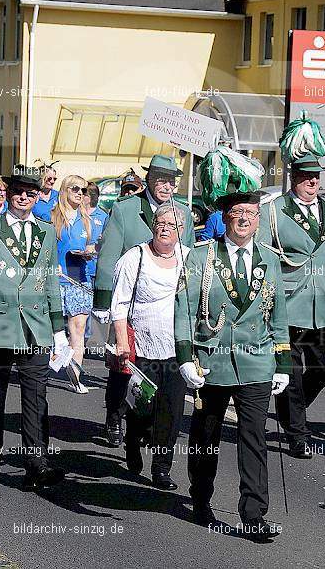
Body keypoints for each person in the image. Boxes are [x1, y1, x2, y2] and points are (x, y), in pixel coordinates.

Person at [174, 145, 291, 540]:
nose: (244, 220)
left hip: (257, 363)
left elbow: (278, 315)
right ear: (225, 219)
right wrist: (186, 358)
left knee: (253, 438)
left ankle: (254, 514)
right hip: (213, 364)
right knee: (206, 436)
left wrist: (284, 364)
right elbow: (185, 310)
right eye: (237, 214)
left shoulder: (270, 259)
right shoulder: (201, 258)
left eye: (251, 214)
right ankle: (201, 497)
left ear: (259, 220)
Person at [259, 112, 325, 459]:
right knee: (293, 373)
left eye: (315, 176)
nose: (312, 182)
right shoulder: (275, 212)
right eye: (305, 176)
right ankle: (298, 433)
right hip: (290, 304)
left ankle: (289, 413)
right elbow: (261, 258)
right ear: (294, 178)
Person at [0, 166, 66, 490]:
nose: (24, 196)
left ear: (38, 196)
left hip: (35, 327)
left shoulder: (47, 231)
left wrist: (59, 329)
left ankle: (36, 464)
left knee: (37, 396)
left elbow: (51, 280)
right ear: (9, 192)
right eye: (19, 190)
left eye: (31, 192)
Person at [93, 154, 195, 447]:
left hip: (164, 305)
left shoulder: (181, 213)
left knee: (161, 372)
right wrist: (102, 302)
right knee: (123, 365)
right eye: (160, 179)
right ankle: (114, 416)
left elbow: (184, 256)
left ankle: (147, 423)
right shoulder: (126, 209)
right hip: (128, 301)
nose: (166, 186)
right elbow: (109, 255)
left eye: (171, 180)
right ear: (148, 180)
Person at [111, 204, 189, 490]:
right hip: (143, 347)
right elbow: (119, 304)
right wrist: (121, 341)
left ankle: (162, 468)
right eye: (160, 222)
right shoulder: (136, 257)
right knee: (143, 406)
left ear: (181, 231)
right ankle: (133, 440)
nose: (165, 228)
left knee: (171, 409)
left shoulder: (188, 259)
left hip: (177, 349)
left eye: (171, 224)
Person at [52, 175, 94, 393]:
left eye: (83, 190)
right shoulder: (51, 217)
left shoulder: (86, 219)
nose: (80, 193)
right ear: (65, 190)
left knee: (77, 331)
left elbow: (93, 246)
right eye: (75, 188)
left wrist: (90, 253)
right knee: (53, 330)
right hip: (55, 281)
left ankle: (76, 377)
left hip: (80, 280)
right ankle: (42, 368)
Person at [83, 182, 108, 341]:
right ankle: (81, 338)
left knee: (93, 306)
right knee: (82, 306)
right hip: (80, 268)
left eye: (83, 194)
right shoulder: (77, 214)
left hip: (96, 268)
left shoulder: (103, 216)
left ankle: (87, 338)